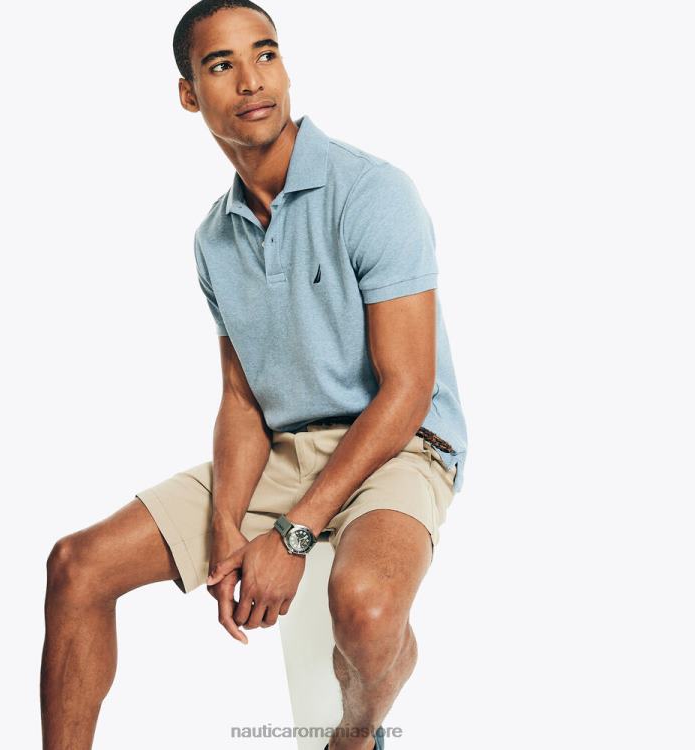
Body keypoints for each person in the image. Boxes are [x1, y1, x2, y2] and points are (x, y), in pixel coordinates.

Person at [40, 1, 468, 748]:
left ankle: (353, 738)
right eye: (222, 64)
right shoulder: (215, 237)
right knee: (77, 567)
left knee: (366, 610)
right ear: (188, 94)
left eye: (265, 54)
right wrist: (227, 528)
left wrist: (293, 535)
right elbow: (242, 401)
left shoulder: (372, 192)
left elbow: (408, 390)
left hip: (398, 448)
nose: (251, 80)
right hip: (282, 453)